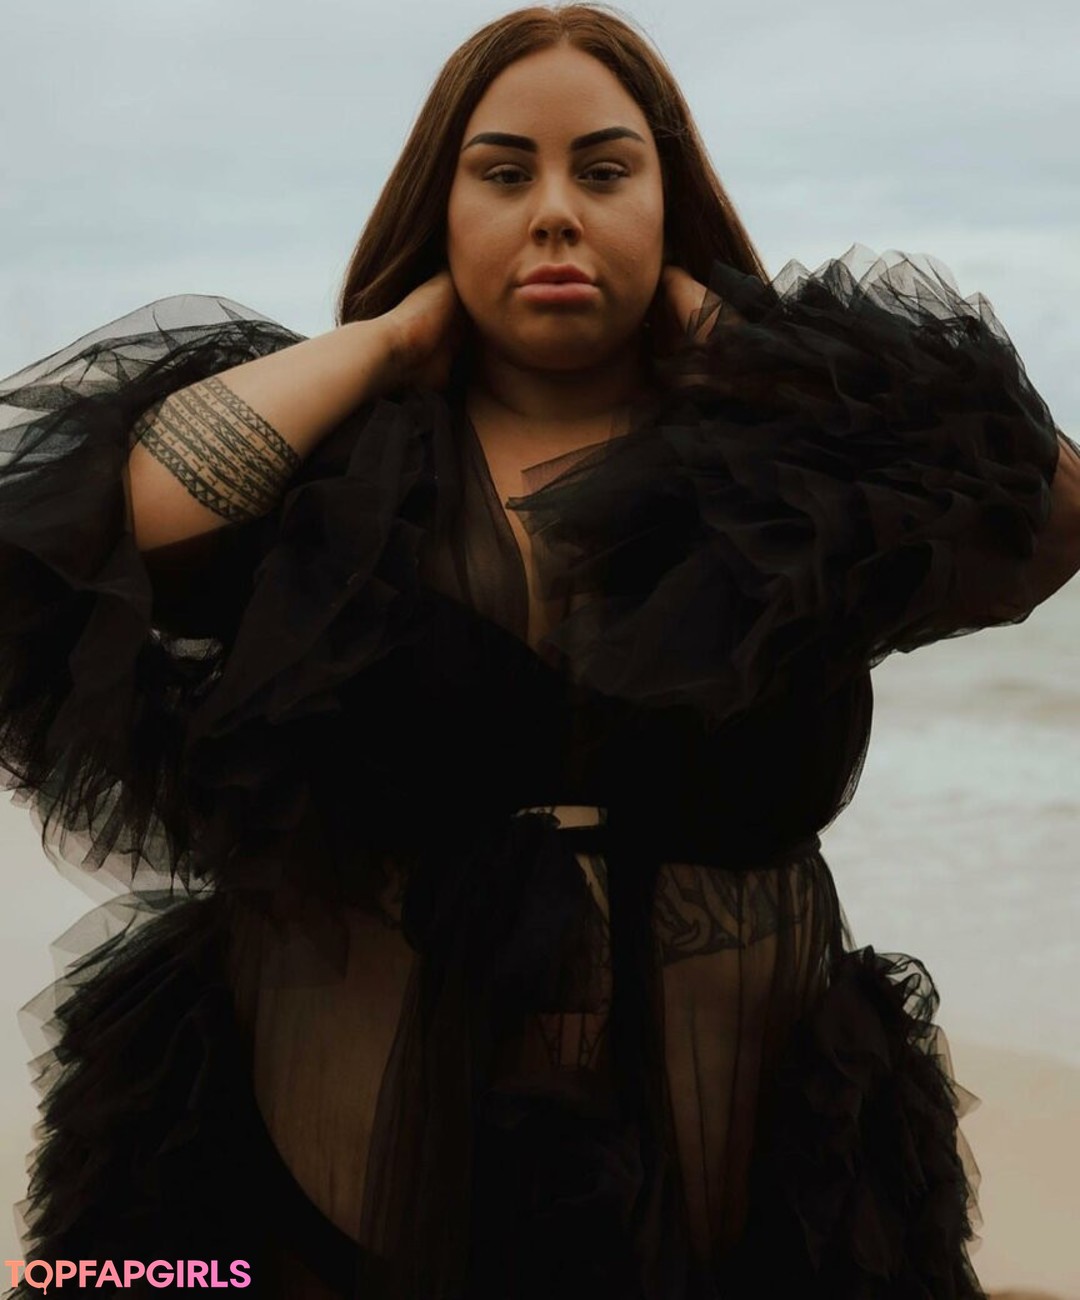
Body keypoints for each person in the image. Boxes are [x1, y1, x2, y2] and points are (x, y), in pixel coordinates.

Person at [1, 5, 1078, 1298]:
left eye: (606, 171)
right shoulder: (344, 462)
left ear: (671, 205)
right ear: (440, 207)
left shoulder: (793, 483)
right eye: (505, 174)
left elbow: (1054, 513)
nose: (556, 212)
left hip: (759, 1197)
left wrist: (753, 351)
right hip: (310, 1182)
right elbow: (102, 529)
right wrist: (385, 340)